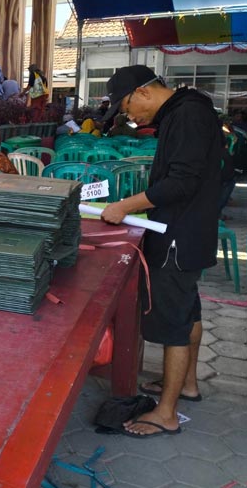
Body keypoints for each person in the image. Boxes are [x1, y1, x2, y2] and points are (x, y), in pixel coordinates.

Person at [100, 65, 222, 438]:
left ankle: (166, 413)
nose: (130, 118)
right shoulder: (189, 110)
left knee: (172, 326)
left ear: (143, 92)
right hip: (193, 231)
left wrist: (125, 206)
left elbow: (181, 182)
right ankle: (187, 385)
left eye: (126, 109)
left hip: (177, 237)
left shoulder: (186, 115)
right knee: (188, 311)